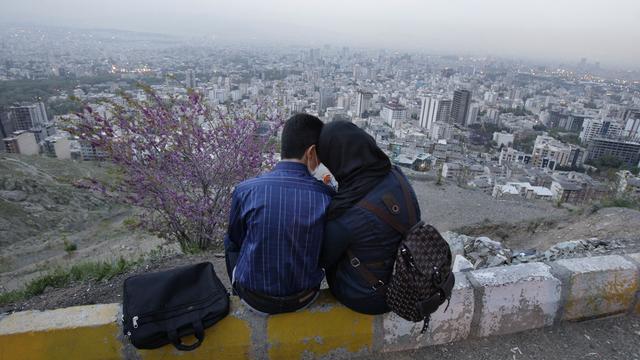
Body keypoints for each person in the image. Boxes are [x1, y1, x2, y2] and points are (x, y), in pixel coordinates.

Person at [223, 113, 333, 315]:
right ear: (311, 153)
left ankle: (237, 290)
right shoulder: (326, 196)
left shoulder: (246, 190)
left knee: (230, 240)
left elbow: (235, 239)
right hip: (304, 297)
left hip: (254, 298)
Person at [318, 121, 421, 315]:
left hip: (371, 297)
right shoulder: (396, 175)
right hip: (408, 279)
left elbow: (323, 259)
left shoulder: (346, 212)